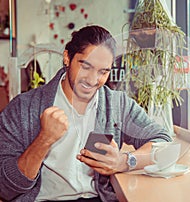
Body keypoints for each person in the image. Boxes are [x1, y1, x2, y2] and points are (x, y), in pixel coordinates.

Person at [0, 25, 172, 202]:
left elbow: (163, 142)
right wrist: (44, 140)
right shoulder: (23, 108)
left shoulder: (116, 104)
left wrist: (124, 161)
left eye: (103, 71)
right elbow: (5, 188)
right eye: (86, 66)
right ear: (67, 58)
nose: (92, 80)